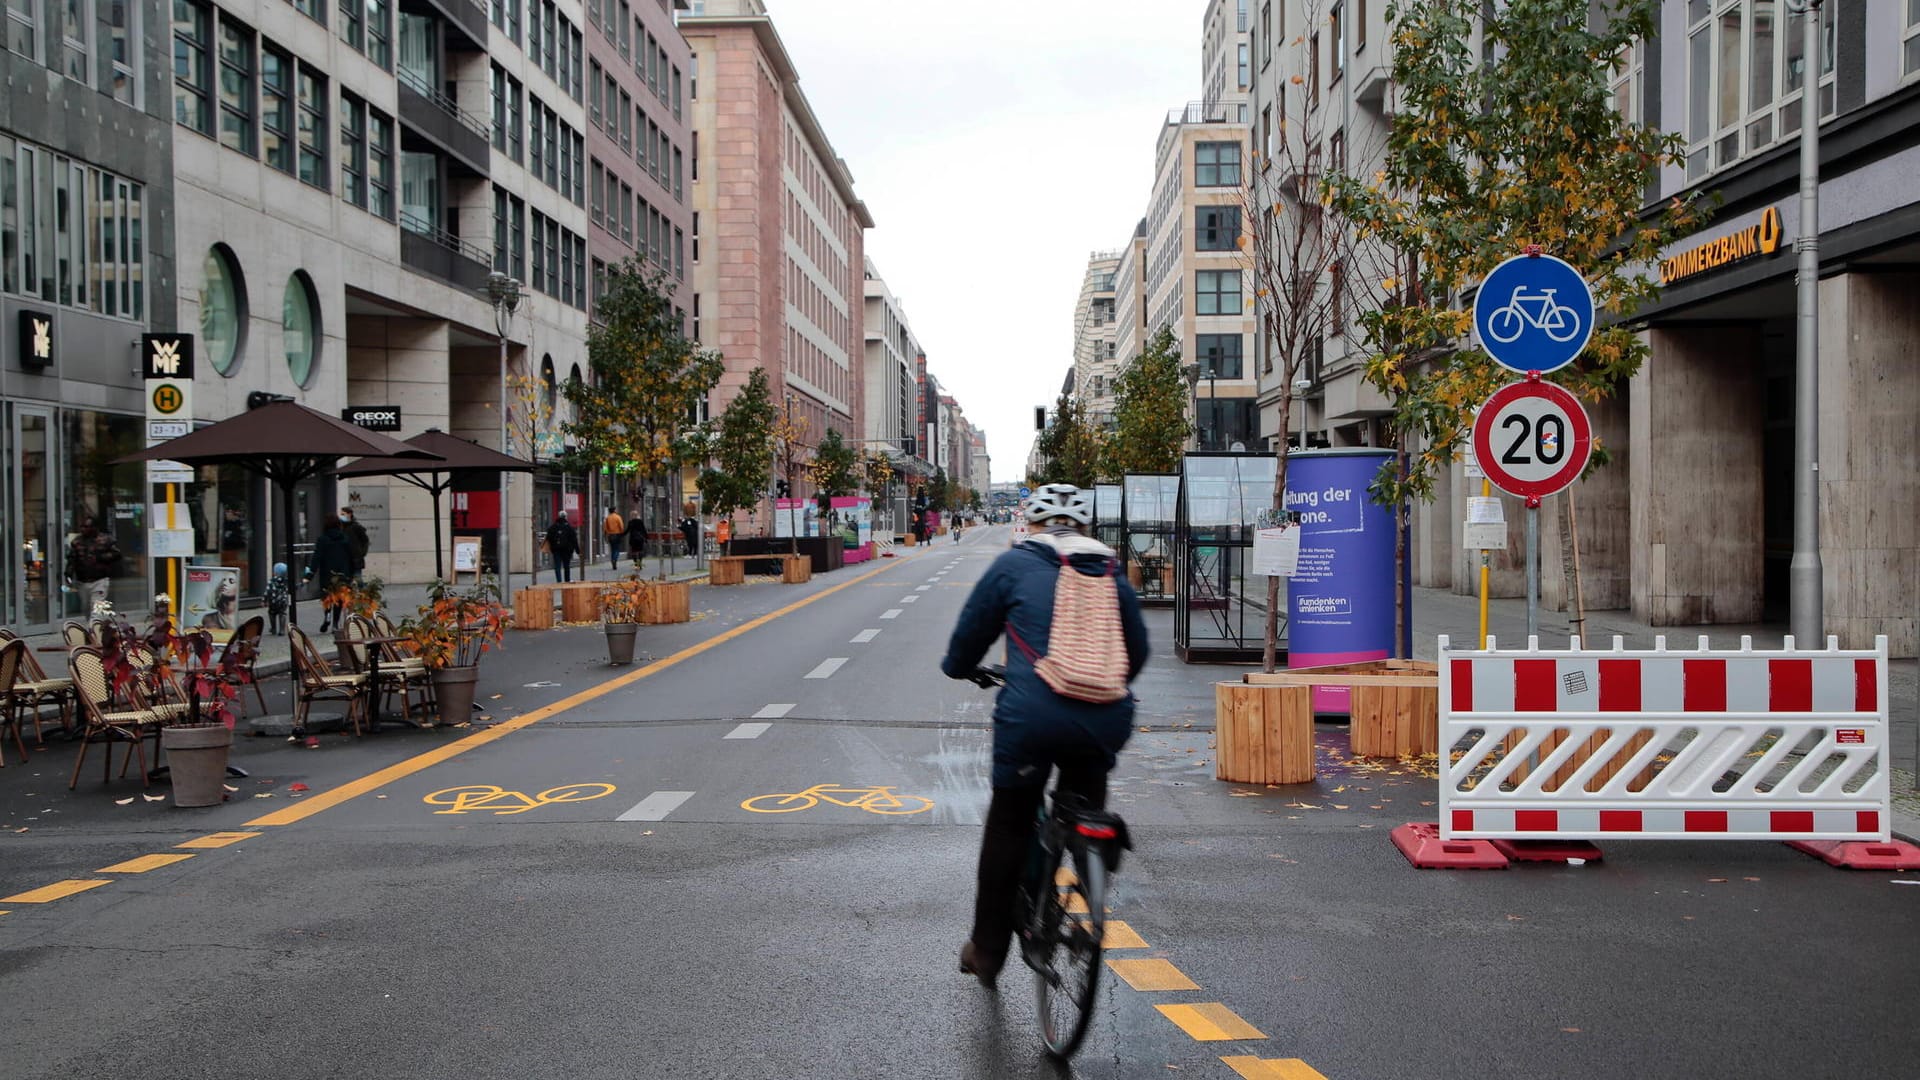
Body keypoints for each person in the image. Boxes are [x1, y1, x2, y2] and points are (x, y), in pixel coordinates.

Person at [940, 483, 1150, 988]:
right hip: (1105, 716)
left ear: (1031, 525)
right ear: (1083, 527)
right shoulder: (1111, 574)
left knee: (1010, 822)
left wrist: (961, 668)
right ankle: (1086, 858)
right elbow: (1136, 654)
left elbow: (968, 639)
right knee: (1082, 801)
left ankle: (988, 949)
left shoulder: (1014, 566)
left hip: (1031, 717)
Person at [305, 516, 355, 632]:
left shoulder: (322, 539)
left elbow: (316, 557)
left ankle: (327, 616)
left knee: (327, 596)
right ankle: (335, 624)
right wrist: (351, 573)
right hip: (342, 573)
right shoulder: (345, 539)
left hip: (327, 573)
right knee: (339, 598)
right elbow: (351, 557)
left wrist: (310, 574)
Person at [65, 516, 121, 611]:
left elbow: (117, 554)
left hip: (99, 580)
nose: (83, 529)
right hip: (82, 581)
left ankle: (96, 625)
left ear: (94, 528)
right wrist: (68, 573)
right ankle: (91, 625)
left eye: (86, 527)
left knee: (96, 607)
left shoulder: (105, 540)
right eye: (82, 527)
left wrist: (101, 557)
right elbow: (72, 559)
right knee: (86, 607)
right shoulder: (77, 542)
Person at [546, 512, 580, 582]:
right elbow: (574, 539)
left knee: (557, 566)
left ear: (558, 516)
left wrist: (553, 546)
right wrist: (577, 550)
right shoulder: (569, 527)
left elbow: (548, 537)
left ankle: (559, 581)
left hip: (556, 549)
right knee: (566, 566)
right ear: (566, 517)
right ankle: (567, 580)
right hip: (567, 550)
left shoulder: (553, 527)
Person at [339, 506, 371, 582]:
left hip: (356, 558)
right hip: (344, 558)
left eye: (343, 514)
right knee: (346, 580)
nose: (341, 516)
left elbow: (365, 541)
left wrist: (361, 553)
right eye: (341, 514)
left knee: (358, 580)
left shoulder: (356, 527)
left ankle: (362, 593)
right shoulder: (340, 527)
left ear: (349, 514)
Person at [263, 562, 290, 636]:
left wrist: (264, 600)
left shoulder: (272, 581)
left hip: (273, 601)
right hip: (283, 601)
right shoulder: (286, 581)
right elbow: (292, 588)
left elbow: (267, 591)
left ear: (275, 572)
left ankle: (273, 628)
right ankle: (282, 630)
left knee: (272, 613)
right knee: (283, 614)